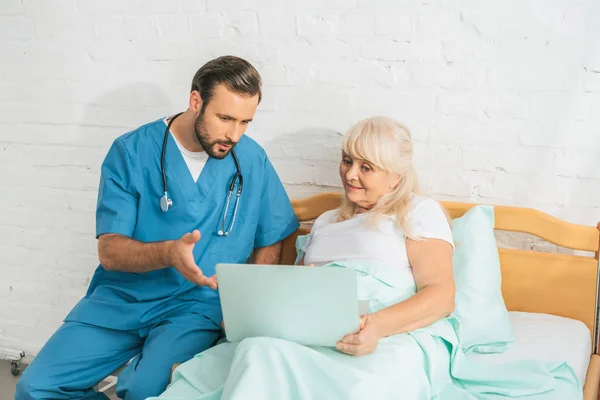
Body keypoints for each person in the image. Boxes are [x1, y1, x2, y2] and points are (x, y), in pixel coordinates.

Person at [152, 116, 580, 400]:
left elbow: (440, 295)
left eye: (366, 167)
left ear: (396, 176)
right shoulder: (323, 223)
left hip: (391, 335)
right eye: (346, 160)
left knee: (368, 385)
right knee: (259, 352)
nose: (350, 174)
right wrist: (251, 317)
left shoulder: (418, 211)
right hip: (314, 336)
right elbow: (295, 295)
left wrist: (376, 328)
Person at [15, 55, 299, 400]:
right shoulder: (131, 151)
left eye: (245, 122)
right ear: (196, 101)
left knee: (141, 389)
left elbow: (273, 234)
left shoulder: (250, 159)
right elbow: (110, 250)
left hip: (197, 306)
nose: (234, 134)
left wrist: (247, 310)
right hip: (122, 298)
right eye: (224, 118)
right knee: (36, 388)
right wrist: (169, 254)